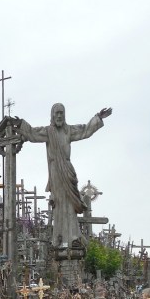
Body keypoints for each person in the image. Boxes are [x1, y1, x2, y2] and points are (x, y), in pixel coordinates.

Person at [14, 104, 112, 248]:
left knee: (71, 205)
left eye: (61, 113)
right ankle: (59, 237)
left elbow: (85, 130)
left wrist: (98, 117)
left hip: (67, 169)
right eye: (56, 113)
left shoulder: (68, 130)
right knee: (59, 203)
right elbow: (33, 134)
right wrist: (21, 123)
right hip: (56, 171)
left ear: (64, 115)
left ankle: (73, 236)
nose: (59, 116)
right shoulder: (48, 131)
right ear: (52, 115)